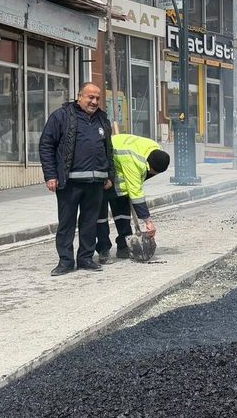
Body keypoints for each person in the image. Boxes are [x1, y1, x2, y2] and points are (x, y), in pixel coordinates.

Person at [39, 82, 115, 276]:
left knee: (90, 222)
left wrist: (109, 175)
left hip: (96, 182)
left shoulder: (102, 119)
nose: (94, 101)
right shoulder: (61, 116)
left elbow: (109, 149)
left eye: (97, 98)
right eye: (90, 97)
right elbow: (46, 145)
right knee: (67, 223)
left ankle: (85, 258)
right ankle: (65, 261)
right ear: (79, 96)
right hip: (69, 182)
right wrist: (51, 175)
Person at [96, 134, 170, 263]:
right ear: (149, 165)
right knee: (101, 216)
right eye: (154, 172)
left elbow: (137, 183)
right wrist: (148, 221)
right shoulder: (134, 161)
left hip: (120, 173)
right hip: (102, 169)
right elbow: (136, 192)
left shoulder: (156, 150)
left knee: (123, 214)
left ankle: (123, 246)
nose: (153, 175)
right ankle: (103, 249)